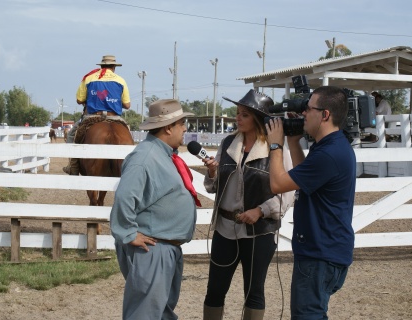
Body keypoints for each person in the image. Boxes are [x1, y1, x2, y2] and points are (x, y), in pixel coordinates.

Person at [202, 89, 294, 320]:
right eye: (237, 113)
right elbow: (213, 188)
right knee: (214, 290)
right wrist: (212, 173)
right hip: (224, 229)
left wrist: (261, 211)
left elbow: (289, 188)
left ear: (257, 118)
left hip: (259, 232)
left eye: (244, 114)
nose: (238, 118)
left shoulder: (276, 148)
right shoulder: (228, 143)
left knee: (253, 292)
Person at [265, 86, 356, 319]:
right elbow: (303, 177)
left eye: (308, 108)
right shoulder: (330, 146)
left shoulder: (329, 154)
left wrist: (276, 144)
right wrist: (294, 143)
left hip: (320, 254)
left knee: (308, 315)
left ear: (325, 114)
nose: (303, 113)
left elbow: (278, 184)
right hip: (327, 250)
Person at [110, 99, 198, 320]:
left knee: (161, 313)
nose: (185, 128)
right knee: (145, 314)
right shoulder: (145, 158)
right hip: (153, 249)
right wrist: (128, 233)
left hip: (163, 247)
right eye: (181, 123)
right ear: (168, 127)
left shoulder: (161, 155)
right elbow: (124, 196)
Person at [63, 54, 131, 175]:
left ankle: (73, 167)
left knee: (72, 136)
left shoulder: (89, 78)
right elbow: (127, 105)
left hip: (93, 116)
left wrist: (93, 99)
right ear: (114, 67)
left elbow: (79, 100)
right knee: (128, 136)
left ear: (101, 66)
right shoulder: (121, 80)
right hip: (115, 117)